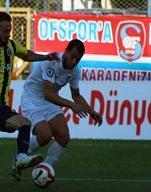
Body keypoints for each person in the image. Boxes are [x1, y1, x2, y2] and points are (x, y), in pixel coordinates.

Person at [0, 11, 60, 182]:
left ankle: (20, 158)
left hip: (1, 107)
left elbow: (27, 54)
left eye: (10, 30)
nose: (8, 34)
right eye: (5, 31)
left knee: (25, 123)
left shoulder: (11, 46)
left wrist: (45, 57)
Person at [20, 39, 102, 170]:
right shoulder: (52, 62)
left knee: (63, 136)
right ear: (66, 51)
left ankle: (45, 169)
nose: (74, 61)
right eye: (72, 57)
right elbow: (48, 93)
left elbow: (76, 96)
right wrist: (71, 105)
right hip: (32, 100)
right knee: (45, 136)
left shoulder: (74, 71)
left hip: (49, 102)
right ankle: (21, 156)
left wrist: (91, 112)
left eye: (78, 59)